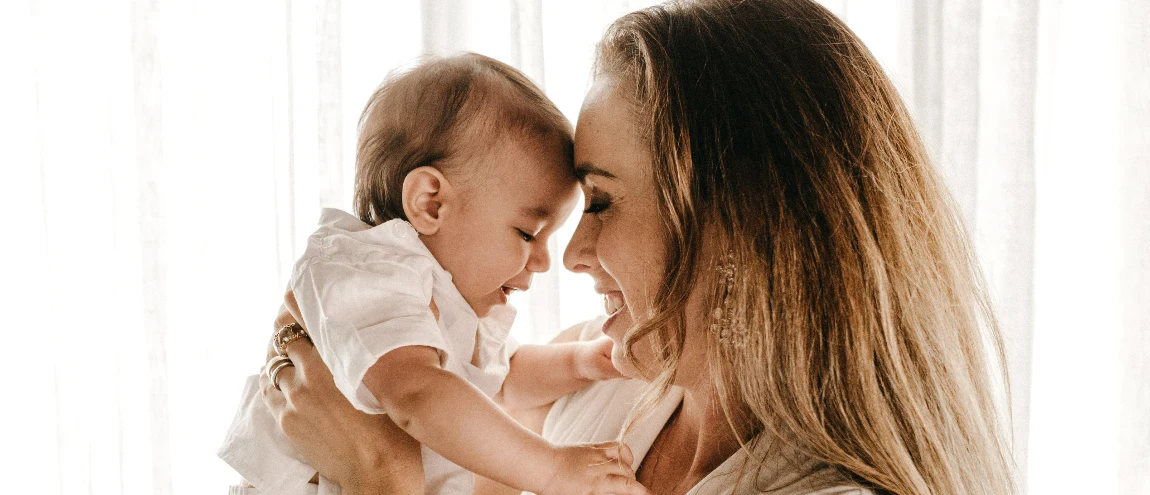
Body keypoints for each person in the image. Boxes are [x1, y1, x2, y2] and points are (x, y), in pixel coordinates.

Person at [260, 0, 1018, 494]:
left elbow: (400, 450)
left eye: (602, 201)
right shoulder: (598, 385)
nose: (570, 254)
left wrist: (378, 476)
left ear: (736, 222)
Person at [220, 53, 647, 495]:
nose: (543, 261)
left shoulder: (443, 299)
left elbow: (501, 382)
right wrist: (553, 471)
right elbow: (419, 394)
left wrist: (581, 361)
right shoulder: (363, 269)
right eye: (527, 233)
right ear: (431, 204)